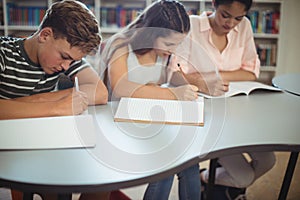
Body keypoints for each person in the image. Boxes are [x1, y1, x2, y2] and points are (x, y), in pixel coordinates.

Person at [0, 0, 110, 199]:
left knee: (101, 179)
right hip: (10, 149)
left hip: (50, 145)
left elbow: (100, 92)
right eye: (64, 57)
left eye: (73, 61)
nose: (67, 67)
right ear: (45, 35)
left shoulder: (65, 58)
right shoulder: (3, 53)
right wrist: (56, 107)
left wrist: (26, 103)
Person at [170, 0, 276, 199]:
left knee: (268, 162)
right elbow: (174, 73)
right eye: (225, 15)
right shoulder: (191, 25)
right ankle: (207, 179)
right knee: (243, 177)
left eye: (238, 18)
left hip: (240, 112)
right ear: (213, 4)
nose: (231, 24)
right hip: (209, 117)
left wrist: (212, 77)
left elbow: (252, 71)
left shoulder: (244, 26)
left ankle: (216, 182)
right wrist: (202, 83)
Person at [101, 0, 201, 199]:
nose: (173, 49)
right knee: (168, 160)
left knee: (190, 161)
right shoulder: (121, 44)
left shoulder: (163, 52)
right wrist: (172, 94)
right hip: (116, 123)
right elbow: (121, 87)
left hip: (147, 119)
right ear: (152, 33)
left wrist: (194, 84)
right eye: (169, 44)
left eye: (178, 44)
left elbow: (170, 76)